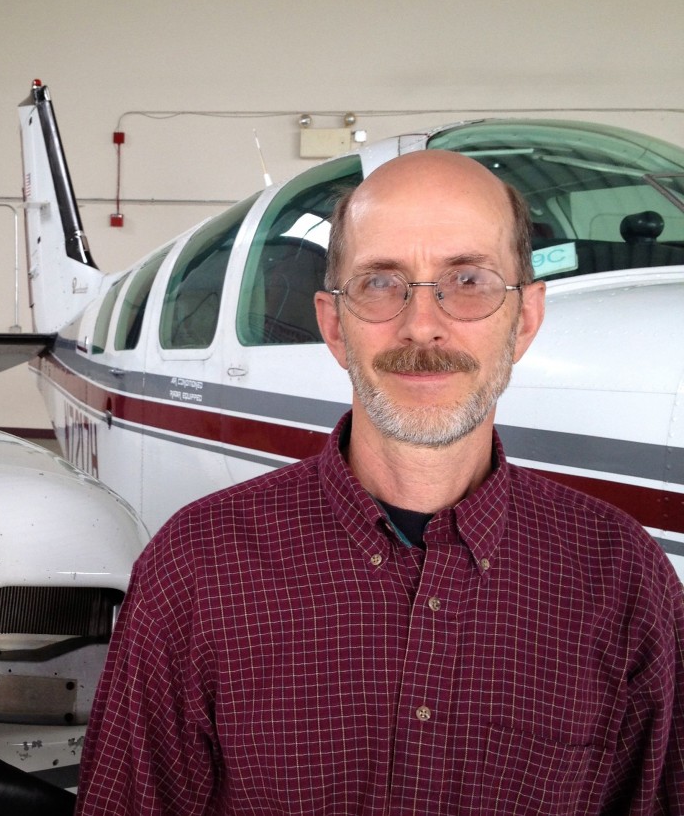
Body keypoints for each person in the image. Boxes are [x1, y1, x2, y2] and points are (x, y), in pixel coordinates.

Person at [74, 150, 684, 814]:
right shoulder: (195, 566)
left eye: (470, 280)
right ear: (335, 326)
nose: (422, 325)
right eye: (380, 283)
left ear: (525, 321)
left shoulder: (626, 580)